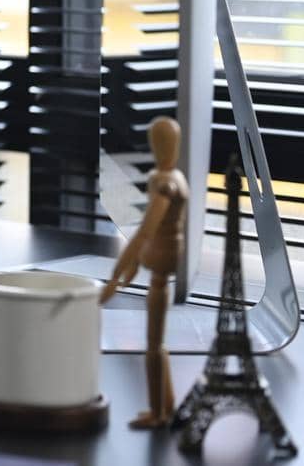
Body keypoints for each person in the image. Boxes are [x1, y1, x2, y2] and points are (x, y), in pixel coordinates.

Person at [100, 115, 187, 428]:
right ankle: (165, 407)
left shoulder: (165, 184)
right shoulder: (174, 176)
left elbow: (145, 231)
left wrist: (116, 274)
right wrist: (132, 265)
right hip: (162, 261)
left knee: (153, 344)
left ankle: (158, 412)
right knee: (156, 343)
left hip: (161, 265)